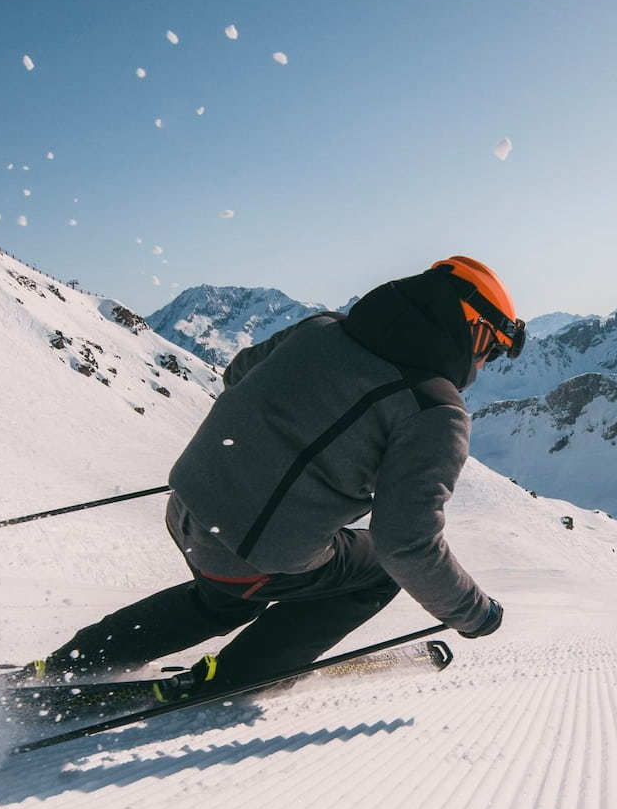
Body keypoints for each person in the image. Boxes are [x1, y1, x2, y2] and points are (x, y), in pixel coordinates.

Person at [26, 256, 523, 696]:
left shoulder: (321, 328)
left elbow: (240, 373)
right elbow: (406, 543)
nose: (486, 361)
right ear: (471, 328)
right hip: (253, 552)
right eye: (493, 348)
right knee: (375, 573)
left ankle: (72, 662)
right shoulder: (435, 409)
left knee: (223, 599)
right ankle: (237, 677)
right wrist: (473, 613)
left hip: (189, 508)